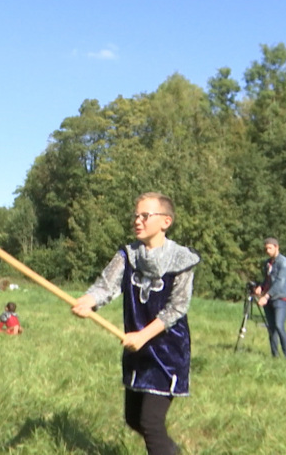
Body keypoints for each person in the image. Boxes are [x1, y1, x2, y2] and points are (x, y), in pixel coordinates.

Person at [72, 192, 200, 455]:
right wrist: (88, 301)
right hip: (136, 349)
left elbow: (177, 306)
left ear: (166, 221)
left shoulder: (182, 259)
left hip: (166, 350)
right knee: (133, 419)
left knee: (150, 423)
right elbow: (105, 286)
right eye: (136, 215)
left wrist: (144, 335)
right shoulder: (128, 255)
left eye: (145, 215)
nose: (138, 220)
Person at [255, 237, 286, 358]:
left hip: (280, 298)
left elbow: (280, 282)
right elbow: (267, 279)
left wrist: (266, 296)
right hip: (268, 298)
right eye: (266, 248)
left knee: (279, 326)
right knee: (271, 328)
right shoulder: (267, 263)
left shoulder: (284, 263)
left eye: (270, 248)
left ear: (277, 247)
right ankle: (274, 356)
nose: (267, 251)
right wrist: (260, 286)